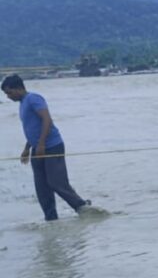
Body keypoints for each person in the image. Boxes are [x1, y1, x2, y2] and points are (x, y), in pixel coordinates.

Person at [2, 74, 100, 220]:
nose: (8, 97)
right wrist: (27, 148)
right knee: (42, 188)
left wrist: (41, 143)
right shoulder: (22, 104)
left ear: (18, 88)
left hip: (52, 146)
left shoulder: (34, 98)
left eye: (9, 92)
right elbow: (33, 128)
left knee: (56, 182)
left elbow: (46, 119)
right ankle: (51, 219)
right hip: (37, 148)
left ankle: (82, 207)